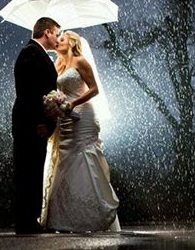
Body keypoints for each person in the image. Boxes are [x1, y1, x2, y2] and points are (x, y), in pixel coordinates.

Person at [41, 30, 121, 232]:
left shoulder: (80, 61)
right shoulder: (58, 65)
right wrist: (56, 104)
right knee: (65, 161)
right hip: (65, 118)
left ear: (72, 43)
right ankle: (65, 217)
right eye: (57, 39)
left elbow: (94, 89)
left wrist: (72, 103)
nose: (58, 41)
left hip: (83, 115)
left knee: (84, 158)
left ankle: (92, 214)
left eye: (62, 39)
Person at [11, 17, 60, 234]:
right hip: (31, 122)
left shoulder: (37, 54)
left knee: (33, 168)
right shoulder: (31, 53)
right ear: (47, 32)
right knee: (27, 169)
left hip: (34, 122)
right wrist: (42, 121)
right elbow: (31, 93)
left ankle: (29, 219)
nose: (58, 38)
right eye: (56, 33)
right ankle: (26, 221)